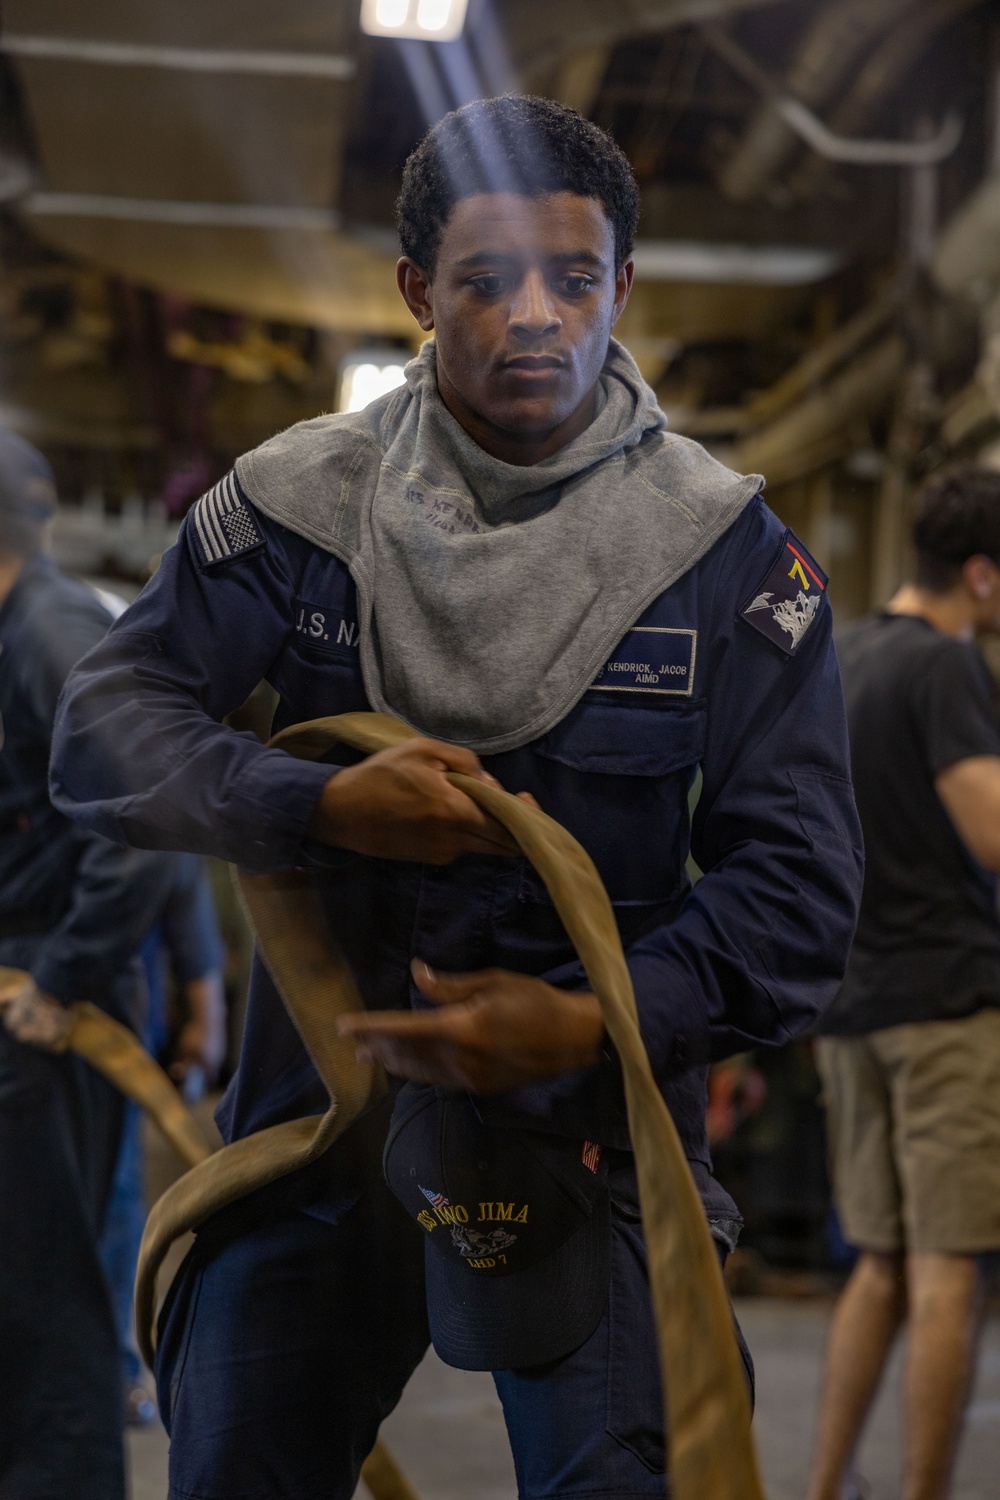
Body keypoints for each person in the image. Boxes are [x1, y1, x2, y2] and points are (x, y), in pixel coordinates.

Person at [51, 96, 863, 1500]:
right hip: (323, 1112)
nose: (533, 317)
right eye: (484, 283)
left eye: (572, 277)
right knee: (235, 1454)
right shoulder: (300, 507)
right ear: (420, 293)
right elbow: (102, 730)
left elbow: (801, 899)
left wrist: (597, 1018)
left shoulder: (725, 555)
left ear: (624, 285)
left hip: (590, 1119)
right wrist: (316, 807)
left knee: (625, 1475)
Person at [809, 466, 1000, 1500]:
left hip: (850, 1008)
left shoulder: (841, 658)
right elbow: (989, 829)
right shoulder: (944, 668)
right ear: (977, 575)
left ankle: (825, 1483)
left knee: (876, 1265)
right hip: (942, 1014)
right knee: (946, 1274)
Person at [0, 430, 170, 1499]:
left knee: (47, 1305)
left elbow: (143, 812)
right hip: (29, 993)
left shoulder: (51, 629)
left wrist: (61, 979)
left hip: (51, 1012)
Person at [100, 852, 227, 1425]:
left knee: (112, 1191)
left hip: (111, 1032)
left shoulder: (120, 781)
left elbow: (174, 871)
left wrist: (207, 1014)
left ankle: (115, 1370)